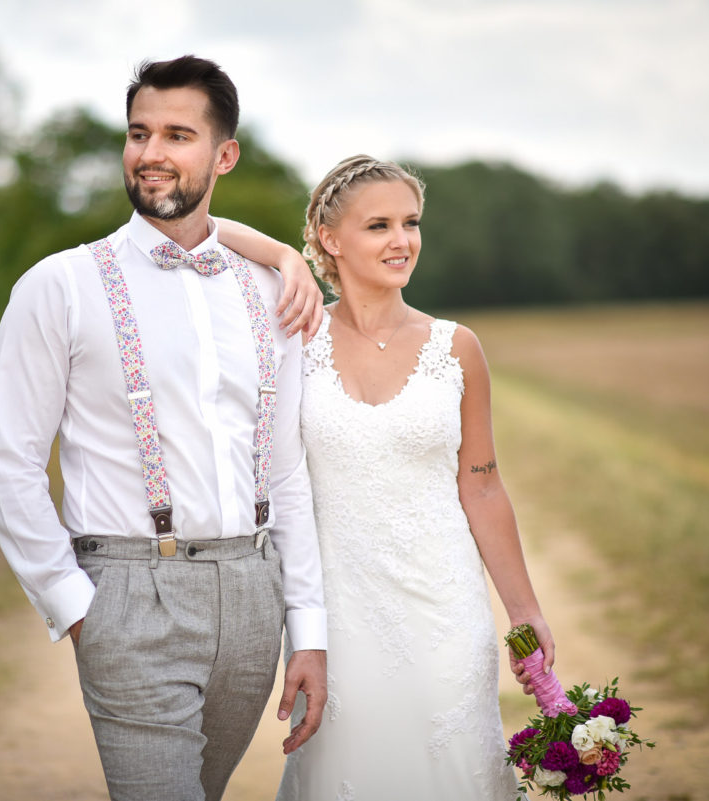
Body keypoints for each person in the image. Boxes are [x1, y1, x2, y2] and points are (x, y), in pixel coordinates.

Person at [0, 56, 329, 801]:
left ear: (223, 155)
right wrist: (78, 610)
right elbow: (10, 463)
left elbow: (286, 471)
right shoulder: (58, 286)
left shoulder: (274, 289)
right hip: (128, 596)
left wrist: (309, 628)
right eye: (139, 133)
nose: (151, 153)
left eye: (177, 134)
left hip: (251, 594)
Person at [219, 155, 555, 800]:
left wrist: (524, 612)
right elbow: (209, 228)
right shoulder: (293, 338)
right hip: (339, 614)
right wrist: (286, 260)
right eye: (378, 225)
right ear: (330, 238)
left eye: (411, 223)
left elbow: (481, 486)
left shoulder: (456, 348)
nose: (402, 241)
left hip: (445, 608)